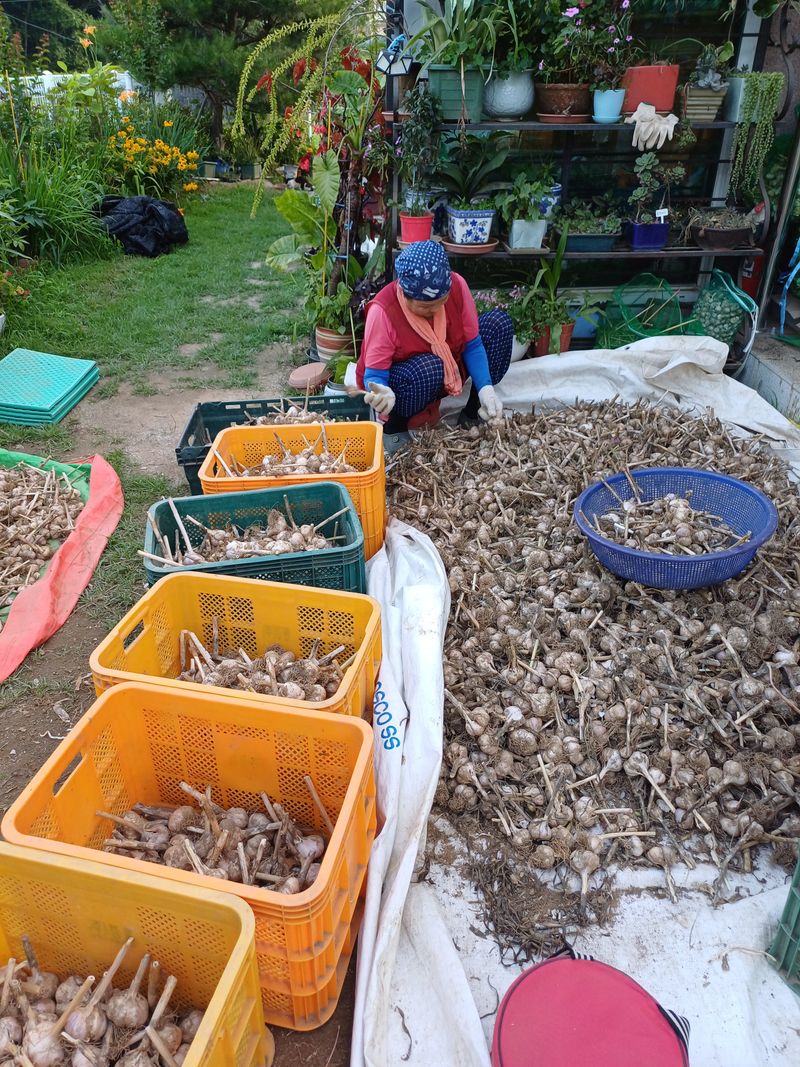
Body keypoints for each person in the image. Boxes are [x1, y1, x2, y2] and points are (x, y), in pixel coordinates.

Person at [355, 240, 513, 438]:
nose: (435, 311)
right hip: (408, 380)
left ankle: (474, 413)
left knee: (498, 325)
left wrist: (485, 388)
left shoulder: (457, 286)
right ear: (404, 294)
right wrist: (381, 392)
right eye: (426, 307)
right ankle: (395, 428)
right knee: (430, 366)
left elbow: (473, 345)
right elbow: (375, 374)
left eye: (441, 303)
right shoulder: (384, 311)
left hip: (444, 366)